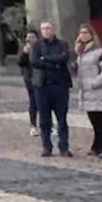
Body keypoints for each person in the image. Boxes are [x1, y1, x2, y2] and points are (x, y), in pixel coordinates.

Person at [30, 20, 73, 157]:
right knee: (44, 119)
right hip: (42, 87)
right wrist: (53, 62)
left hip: (60, 86)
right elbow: (35, 62)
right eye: (43, 29)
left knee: (62, 118)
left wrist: (46, 59)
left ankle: (64, 146)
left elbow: (64, 58)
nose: (46, 31)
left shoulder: (62, 44)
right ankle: (46, 146)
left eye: (48, 28)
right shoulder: (36, 45)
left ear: (53, 29)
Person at [73, 25, 102, 158]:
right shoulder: (80, 52)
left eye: (86, 32)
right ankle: (97, 145)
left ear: (92, 34)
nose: (83, 35)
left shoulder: (99, 52)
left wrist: (95, 82)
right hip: (86, 92)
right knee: (94, 120)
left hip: (98, 90)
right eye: (81, 33)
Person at [17, 30, 40, 136]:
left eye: (32, 37)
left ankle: (47, 125)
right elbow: (20, 63)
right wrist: (25, 53)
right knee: (33, 101)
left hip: (41, 78)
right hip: (29, 79)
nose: (30, 39)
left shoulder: (41, 48)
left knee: (44, 102)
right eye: (28, 37)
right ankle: (33, 125)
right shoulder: (24, 49)